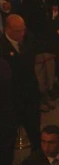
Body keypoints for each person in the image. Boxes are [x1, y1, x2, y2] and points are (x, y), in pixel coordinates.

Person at [0, 14, 41, 153]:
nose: (22, 33)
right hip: (10, 98)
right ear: (8, 29)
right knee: (8, 138)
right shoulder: (2, 46)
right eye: (18, 31)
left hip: (30, 93)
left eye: (23, 29)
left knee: (35, 131)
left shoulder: (29, 38)